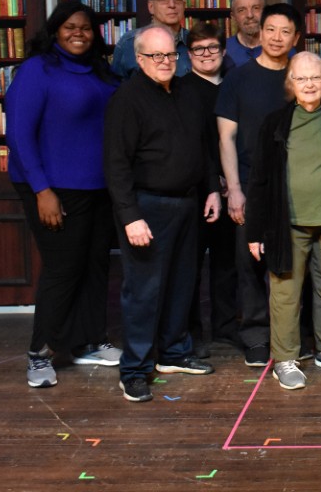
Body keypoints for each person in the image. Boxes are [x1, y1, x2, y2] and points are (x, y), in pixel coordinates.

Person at [6, 0, 121, 388]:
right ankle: (40, 354)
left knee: (96, 266)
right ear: (55, 30)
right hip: (53, 187)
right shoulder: (37, 70)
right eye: (70, 27)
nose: (78, 34)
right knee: (64, 269)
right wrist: (42, 190)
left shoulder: (101, 70)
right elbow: (19, 134)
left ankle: (90, 341)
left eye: (85, 28)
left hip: (99, 186)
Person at [103, 26, 221, 403]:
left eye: (170, 54)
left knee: (181, 285)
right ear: (140, 59)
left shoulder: (187, 92)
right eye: (156, 55)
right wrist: (130, 216)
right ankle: (134, 370)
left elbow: (203, 147)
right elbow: (116, 164)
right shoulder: (127, 99)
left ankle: (173, 353)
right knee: (144, 292)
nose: (165, 61)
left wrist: (212, 189)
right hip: (146, 207)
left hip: (188, 203)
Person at [246, 53, 321, 391]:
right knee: (285, 293)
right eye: (301, 78)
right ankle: (285, 358)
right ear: (291, 83)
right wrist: (254, 231)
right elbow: (259, 179)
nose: (309, 84)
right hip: (287, 225)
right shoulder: (275, 123)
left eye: (315, 77)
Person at [215, 3, 303, 366]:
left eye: (285, 31)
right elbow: (226, 137)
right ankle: (255, 335)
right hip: (250, 182)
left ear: (296, 38)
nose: (277, 37)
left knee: (294, 260)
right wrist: (234, 189)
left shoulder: (301, 77)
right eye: (271, 29)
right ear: (260, 32)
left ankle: (292, 334)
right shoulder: (238, 78)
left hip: (296, 183)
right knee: (249, 262)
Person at [179, 22, 238, 356]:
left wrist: (233, 179)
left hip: (232, 188)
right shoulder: (181, 89)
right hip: (196, 189)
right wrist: (214, 179)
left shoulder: (233, 85)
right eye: (198, 49)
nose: (206, 54)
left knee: (227, 262)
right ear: (189, 54)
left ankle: (225, 327)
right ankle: (191, 332)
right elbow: (192, 143)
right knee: (190, 264)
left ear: (223, 50)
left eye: (212, 47)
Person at [111, 0, 192, 77]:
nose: (172, 5)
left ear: (184, 6)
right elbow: (116, 84)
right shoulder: (128, 43)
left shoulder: (196, 42)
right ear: (151, 7)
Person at [224, 0, 266, 67]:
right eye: (241, 10)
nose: (250, 15)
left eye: (256, 8)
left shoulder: (281, 49)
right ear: (233, 17)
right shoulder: (223, 50)